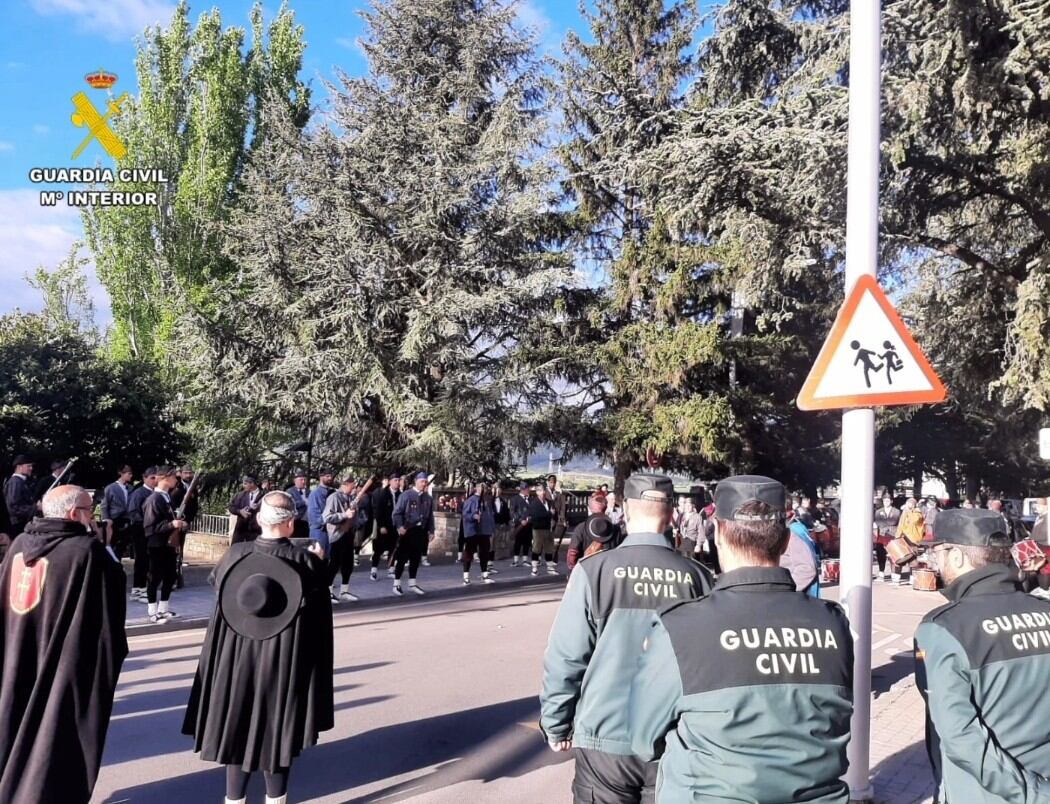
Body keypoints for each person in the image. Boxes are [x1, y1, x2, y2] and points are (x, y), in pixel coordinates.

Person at [628, 475, 854, 803]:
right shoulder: (833, 624)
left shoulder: (681, 627)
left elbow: (643, 738)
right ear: (786, 539)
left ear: (718, 532)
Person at [541, 473, 713, 804]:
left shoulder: (594, 571)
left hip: (605, 738)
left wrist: (556, 724)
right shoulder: (699, 578)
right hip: (672, 740)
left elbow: (566, 656)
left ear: (627, 512)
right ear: (671, 514)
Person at [183, 491, 334, 804]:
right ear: (290, 523)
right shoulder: (305, 559)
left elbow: (218, 586)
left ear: (259, 519)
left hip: (236, 659)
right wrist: (320, 564)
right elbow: (319, 614)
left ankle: (234, 800)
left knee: (235, 726)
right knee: (276, 733)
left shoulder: (236, 554)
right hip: (283, 661)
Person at [0, 485, 127, 804]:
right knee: (55, 738)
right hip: (64, 665)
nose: (94, 517)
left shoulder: (18, 544)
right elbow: (106, 617)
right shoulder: (86, 552)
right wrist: (105, 546)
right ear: (75, 514)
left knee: (12, 723)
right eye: (90, 510)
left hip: (17, 653)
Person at [915, 509, 1050, 803]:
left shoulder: (943, 628)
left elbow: (960, 737)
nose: (934, 562)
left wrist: (1032, 794)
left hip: (986, 792)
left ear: (957, 556)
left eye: (937, 552)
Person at [143, 466, 188, 623]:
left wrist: (178, 523)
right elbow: (150, 527)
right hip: (157, 544)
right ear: (165, 478)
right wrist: (171, 525)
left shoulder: (166, 497)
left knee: (170, 576)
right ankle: (152, 611)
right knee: (154, 577)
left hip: (168, 543)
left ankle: (163, 608)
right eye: (174, 477)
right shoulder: (154, 499)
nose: (176, 479)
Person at [391, 472, 435, 596]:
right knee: (402, 558)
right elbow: (397, 513)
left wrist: (432, 531)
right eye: (422, 481)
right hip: (408, 530)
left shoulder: (428, 498)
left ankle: (412, 583)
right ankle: (396, 583)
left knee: (416, 558)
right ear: (416, 481)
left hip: (420, 531)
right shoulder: (406, 495)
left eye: (425, 482)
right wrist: (399, 526)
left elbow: (430, 516)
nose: (424, 484)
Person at [323, 476, 362, 603]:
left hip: (349, 534)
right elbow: (327, 517)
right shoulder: (334, 497)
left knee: (348, 564)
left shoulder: (351, 498)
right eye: (352, 485)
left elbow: (355, 516)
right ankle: (328, 592)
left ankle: (344, 590)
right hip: (337, 535)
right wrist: (344, 515)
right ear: (345, 484)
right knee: (334, 564)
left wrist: (356, 519)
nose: (354, 487)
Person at [127, 467, 158, 603]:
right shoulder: (139, 493)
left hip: (151, 532)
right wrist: (147, 523)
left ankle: (141, 589)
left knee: (149, 560)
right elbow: (133, 512)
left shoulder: (155, 493)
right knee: (142, 560)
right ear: (144, 478)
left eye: (156, 478)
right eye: (152, 478)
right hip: (141, 531)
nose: (154, 480)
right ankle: (139, 589)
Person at [566, 492, 612, 571]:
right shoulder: (614, 529)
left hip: (586, 571)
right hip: (608, 572)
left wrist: (573, 570)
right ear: (606, 508)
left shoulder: (581, 528)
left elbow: (572, 553)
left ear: (589, 509)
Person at [460, 482, 495, 585]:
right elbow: (465, 515)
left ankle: (484, 575)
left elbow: (490, 516)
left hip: (484, 531)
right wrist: (473, 516)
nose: (484, 489)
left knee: (484, 553)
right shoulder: (470, 500)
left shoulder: (487, 501)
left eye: (485, 487)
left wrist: (491, 529)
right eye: (482, 487)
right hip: (473, 531)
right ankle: (466, 577)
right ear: (477, 488)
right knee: (469, 554)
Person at [370, 473, 401, 581]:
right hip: (384, 525)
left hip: (395, 526)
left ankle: (391, 569)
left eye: (398, 480)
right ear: (390, 481)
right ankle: (374, 570)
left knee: (394, 548)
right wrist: (381, 525)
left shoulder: (400, 495)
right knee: (379, 548)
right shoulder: (383, 494)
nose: (397, 482)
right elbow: (378, 511)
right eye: (395, 480)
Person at [101, 464, 134, 560]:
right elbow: (104, 505)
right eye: (129, 473)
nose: (131, 476)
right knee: (113, 545)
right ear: (121, 473)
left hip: (127, 520)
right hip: (115, 520)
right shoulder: (110, 488)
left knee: (122, 545)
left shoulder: (131, 488)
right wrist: (106, 519)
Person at [783, 515, 821, 597]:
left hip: (793, 596)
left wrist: (785, 590)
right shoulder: (795, 529)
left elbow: (807, 569)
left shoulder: (793, 532)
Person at [529, 485, 558, 576]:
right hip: (538, 528)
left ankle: (550, 568)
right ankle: (534, 568)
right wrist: (549, 513)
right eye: (541, 491)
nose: (543, 492)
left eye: (544, 490)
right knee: (536, 548)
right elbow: (537, 516)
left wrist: (554, 517)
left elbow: (554, 513)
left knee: (549, 548)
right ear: (537, 492)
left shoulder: (549, 502)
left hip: (548, 528)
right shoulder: (534, 503)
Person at [3, 455, 35, 536]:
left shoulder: (20, 481)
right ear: (19, 467)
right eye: (28, 466)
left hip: (21, 524)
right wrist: (36, 507)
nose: (31, 468)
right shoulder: (15, 482)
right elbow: (14, 508)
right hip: (18, 526)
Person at [874, 494, 901, 582]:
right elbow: (878, 522)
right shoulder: (878, 511)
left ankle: (894, 574)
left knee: (893, 555)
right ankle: (881, 574)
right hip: (881, 535)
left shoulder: (896, 511)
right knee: (880, 555)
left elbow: (895, 521)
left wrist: (886, 524)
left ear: (891, 501)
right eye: (885, 501)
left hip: (892, 535)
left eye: (888, 500)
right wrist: (886, 524)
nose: (886, 502)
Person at [307, 469, 335, 556]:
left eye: (331, 476)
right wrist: (328, 520)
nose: (330, 478)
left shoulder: (333, 492)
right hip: (319, 531)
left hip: (330, 531)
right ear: (321, 478)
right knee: (318, 558)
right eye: (327, 476)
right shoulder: (315, 494)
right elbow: (314, 516)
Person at [229, 475, 263, 544]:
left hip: (256, 532)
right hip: (240, 531)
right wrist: (240, 511)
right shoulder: (240, 495)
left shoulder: (264, 495)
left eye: (245, 484)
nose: (243, 486)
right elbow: (231, 507)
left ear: (252, 484)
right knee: (237, 551)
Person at [508, 481, 532, 567]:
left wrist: (530, 518)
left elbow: (532, 510)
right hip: (519, 524)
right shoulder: (515, 499)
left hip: (529, 524)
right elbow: (512, 512)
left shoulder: (530, 499)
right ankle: (515, 560)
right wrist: (520, 520)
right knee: (518, 542)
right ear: (522, 490)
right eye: (526, 489)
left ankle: (525, 560)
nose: (528, 490)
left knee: (527, 541)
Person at [285, 470, 310, 540]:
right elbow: (288, 504)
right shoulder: (290, 491)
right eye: (301, 479)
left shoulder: (309, 491)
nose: (303, 482)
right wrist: (303, 502)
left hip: (306, 522)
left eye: (305, 479)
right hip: (295, 521)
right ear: (295, 480)